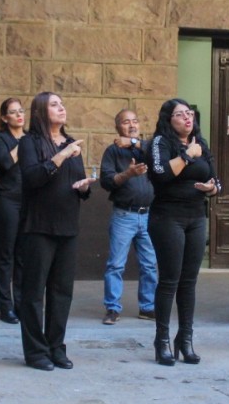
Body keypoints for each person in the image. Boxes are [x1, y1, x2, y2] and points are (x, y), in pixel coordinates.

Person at [17, 92, 95, 371]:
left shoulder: (73, 144)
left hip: (68, 225)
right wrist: (61, 156)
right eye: (54, 104)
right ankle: (35, 352)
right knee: (34, 292)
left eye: (62, 104)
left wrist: (84, 187)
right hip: (38, 226)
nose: (61, 108)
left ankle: (56, 347)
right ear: (40, 111)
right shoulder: (29, 143)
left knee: (62, 292)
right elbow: (32, 179)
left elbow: (77, 181)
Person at [148, 99, 218, 366]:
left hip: (196, 216)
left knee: (189, 281)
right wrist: (188, 155)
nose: (187, 118)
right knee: (169, 280)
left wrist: (211, 189)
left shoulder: (201, 142)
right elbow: (161, 175)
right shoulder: (160, 143)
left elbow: (215, 179)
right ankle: (162, 340)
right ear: (168, 119)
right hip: (167, 217)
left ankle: (185, 339)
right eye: (180, 115)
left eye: (190, 113)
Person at [99, 109, 157, 325]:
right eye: (126, 122)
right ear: (118, 128)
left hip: (149, 215)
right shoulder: (112, 152)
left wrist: (133, 142)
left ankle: (147, 307)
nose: (132, 125)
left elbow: (159, 152)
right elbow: (106, 181)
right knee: (116, 264)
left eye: (135, 121)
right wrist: (128, 174)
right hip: (124, 214)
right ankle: (113, 308)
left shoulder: (148, 148)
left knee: (150, 264)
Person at [0, 97, 26, 324]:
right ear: (5, 117)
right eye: (14, 112)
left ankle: (21, 304)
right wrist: (24, 144)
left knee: (23, 255)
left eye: (21, 111)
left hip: (28, 199)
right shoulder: (0, 138)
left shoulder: (32, 136)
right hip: (8, 198)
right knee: (6, 254)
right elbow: (5, 163)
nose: (19, 115)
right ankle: (6, 306)